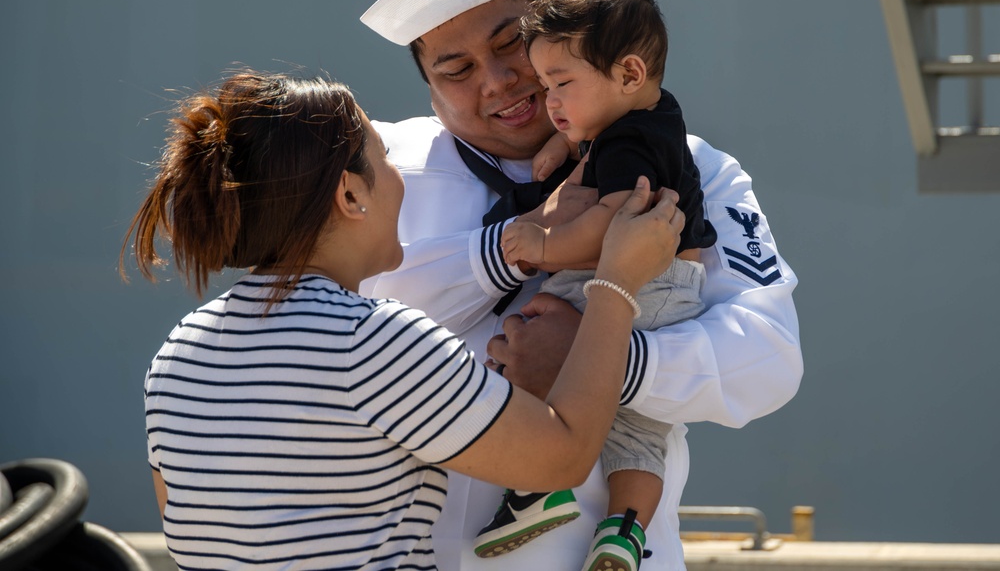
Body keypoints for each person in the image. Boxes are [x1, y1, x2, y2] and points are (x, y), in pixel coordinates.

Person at [359, 0, 802, 571]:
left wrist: (611, 361)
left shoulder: (688, 166)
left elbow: (768, 357)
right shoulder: (377, 167)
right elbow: (346, 318)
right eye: (455, 70)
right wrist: (509, 248)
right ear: (428, 85)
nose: (500, 80)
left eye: (512, 44)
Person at [121, 70, 684, 571]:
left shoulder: (178, 351)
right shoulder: (372, 342)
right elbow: (563, 456)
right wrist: (616, 282)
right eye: (384, 158)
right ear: (350, 194)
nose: (400, 178)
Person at [491, 0, 718, 570]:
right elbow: (597, 142)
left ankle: (539, 485)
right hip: (677, 295)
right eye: (544, 85)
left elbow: (613, 219)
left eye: (560, 83)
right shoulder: (649, 118)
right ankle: (623, 530)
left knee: (534, 349)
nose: (548, 101)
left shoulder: (629, 145)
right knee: (641, 435)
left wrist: (538, 248)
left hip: (640, 283)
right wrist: (564, 142)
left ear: (629, 72)